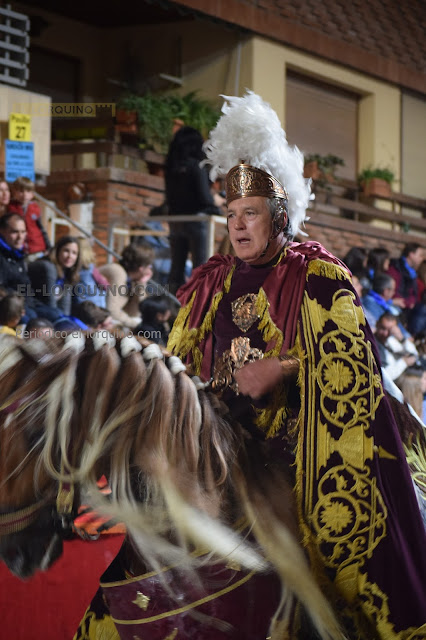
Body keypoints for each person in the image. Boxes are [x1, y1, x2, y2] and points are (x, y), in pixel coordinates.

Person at [166, 92, 426, 638]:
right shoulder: (210, 281)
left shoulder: (318, 274)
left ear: (278, 216)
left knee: (330, 527)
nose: (238, 226)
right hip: (221, 438)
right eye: (231, 215)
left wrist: (282, 369)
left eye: (251, 214)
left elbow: (354, 361)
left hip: (298, 437)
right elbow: (177, 362)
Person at [165, 126, 222, 293]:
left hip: (176, 220)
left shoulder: (171, 167)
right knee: (200, 267)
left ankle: (172, 302)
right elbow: (205, 198)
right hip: (197, 221)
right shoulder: (196, 166)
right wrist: (217, 201)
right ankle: (198, 304)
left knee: (176, 268)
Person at [99, 243, 154, 329]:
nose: (150, 270)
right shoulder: (118, 273)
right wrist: (137, 326)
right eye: (150, 266)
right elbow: (111, 310)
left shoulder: (131, 280)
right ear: (141, 268)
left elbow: (134, 312)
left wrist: (141, 284)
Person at [28, 235, 81, 323]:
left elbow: (65, 307)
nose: (70, 256)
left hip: (51, 312)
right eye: (66, 251)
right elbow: (50, 303)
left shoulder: (67, 273)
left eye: (74, 253)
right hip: (34, 308)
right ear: (57, 251)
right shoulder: (48, 267)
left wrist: (66, 321)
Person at [0, 213, 36, 320]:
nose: (20, 237)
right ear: (2, 231)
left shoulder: (19, 254)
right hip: (11, 307)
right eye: (15, 232)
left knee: (56, 314)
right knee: (32, 318)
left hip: (28, 303)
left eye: (23, 232)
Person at [7, 176, 51, 260]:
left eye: (28, 191)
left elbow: (41, 228)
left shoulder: (35, 208)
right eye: (21, 191)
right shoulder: (10, 207)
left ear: (32, 194)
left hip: (37, 248)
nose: (25, 194)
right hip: (18, 249)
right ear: (14, 192)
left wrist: (48, 246)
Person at [388, 242, 424, 311]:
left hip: (408, 307)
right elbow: (393, 293)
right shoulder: (395, 268)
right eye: (420, 255)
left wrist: (412, 303)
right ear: (411, 255)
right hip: (396, 307)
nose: (422, 258)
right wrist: (408, 303)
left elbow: (414, 294)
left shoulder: (412, 272)